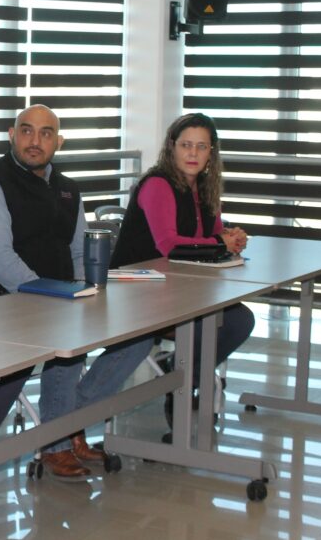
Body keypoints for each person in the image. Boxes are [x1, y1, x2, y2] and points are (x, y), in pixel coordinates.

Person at [0, 105, 154, 480]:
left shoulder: (68, 188)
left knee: (137, 338)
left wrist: (87, 293)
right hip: (5, 304)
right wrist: (52, 298)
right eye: (27, 131)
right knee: (67, 345)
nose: (36, 141)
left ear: (58, 142)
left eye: (46, 133)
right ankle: (57, 442)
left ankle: (68, 424)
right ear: (11, 135)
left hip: (62, 299)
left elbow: (79, 251)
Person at [111, 112, 254, 422]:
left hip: (180, 284)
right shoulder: (157, 184)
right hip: (137, 286)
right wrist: (220, 243)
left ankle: (181, 375)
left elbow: (211, 232)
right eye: (186, 145)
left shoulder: (204, 185)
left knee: (239, 320)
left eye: (202, 147)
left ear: (211, 152)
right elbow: (169, 244)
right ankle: (181, 383)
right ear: (172, 147)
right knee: (209, 323)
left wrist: (229, 236)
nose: (193, 153)